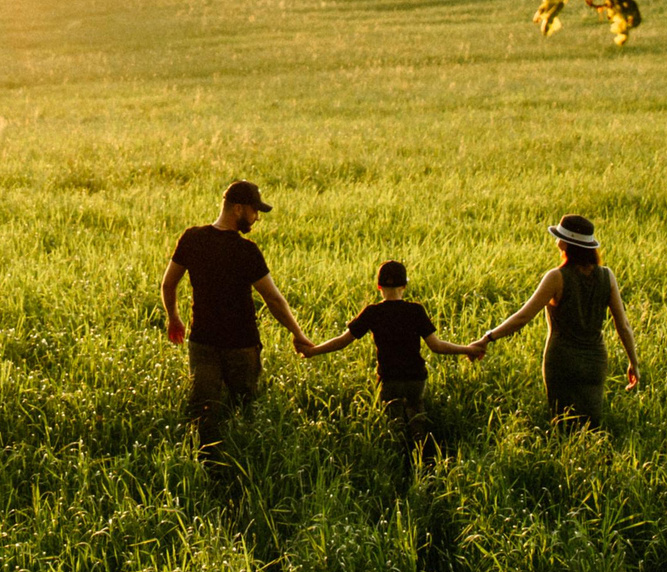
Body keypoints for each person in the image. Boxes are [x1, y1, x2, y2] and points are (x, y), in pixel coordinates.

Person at [161, 180, 316, 451]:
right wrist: (298, 333)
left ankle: (205, 462)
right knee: (244, 411)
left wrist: (173, 318)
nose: (256, 218)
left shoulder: (192, 238)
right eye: (254, 211)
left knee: (203, 415)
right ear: (238, 209)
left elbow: (168, 283)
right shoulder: (246, 250)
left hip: (203, 343)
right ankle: (243, 460)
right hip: (241, 346)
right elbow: (274, 300)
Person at [301, 259, 483, 459]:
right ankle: (424, 461)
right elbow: (436, 346)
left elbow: (343, 341)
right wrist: (468, 349)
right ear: (404, 285)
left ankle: (398, 462)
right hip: (416, 378)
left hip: (389, 379)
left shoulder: (372, 312)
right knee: (417, 419)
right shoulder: (415, 310)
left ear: (379, 286)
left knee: (393, 425)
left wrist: (313, 350)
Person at [473, 214, 640, 429]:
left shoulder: (556, 277)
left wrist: (489, 337)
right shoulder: (607, 276)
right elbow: (623, 325)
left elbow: (524, 316)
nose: (555, 240)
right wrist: (633, 362)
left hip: (562, 362)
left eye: (559, 237)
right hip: (595, 362)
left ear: (567, 244)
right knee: (592, 425)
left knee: (562, 424)